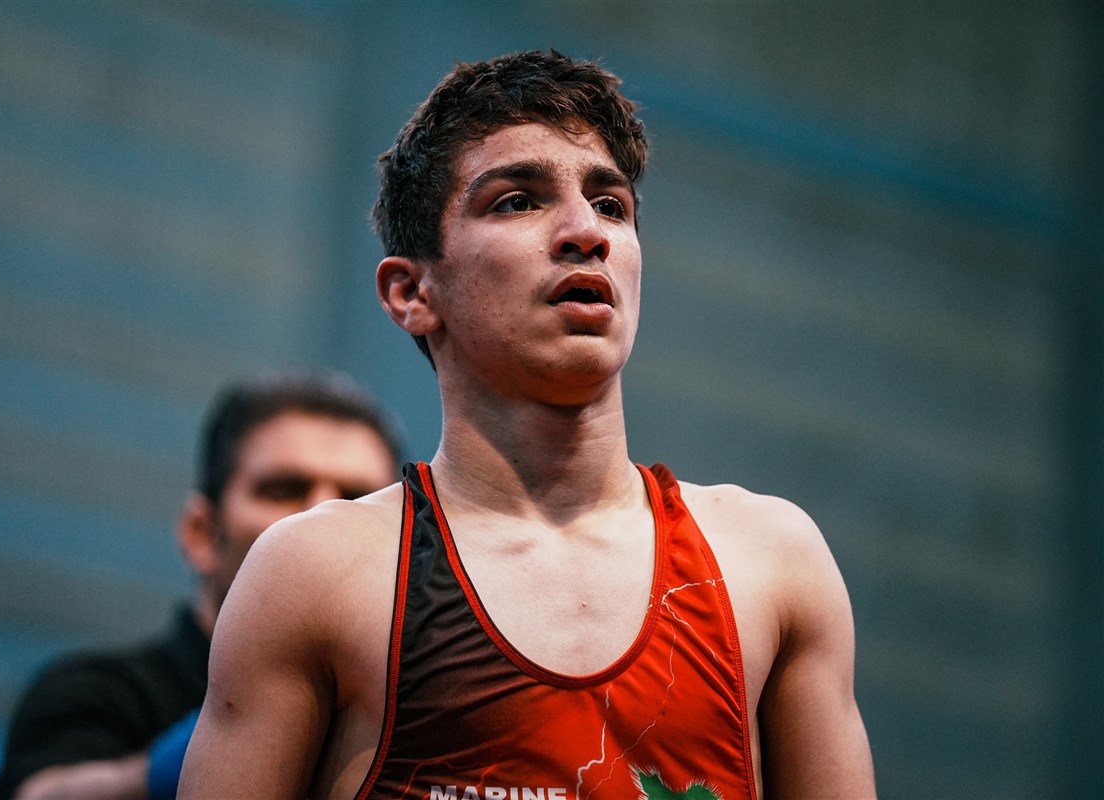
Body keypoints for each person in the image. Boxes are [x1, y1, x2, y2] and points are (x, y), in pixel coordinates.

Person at [180, 50, 876, 799]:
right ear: (412, 292)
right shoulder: (317, 575)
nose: (586, 231)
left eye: (611, 205)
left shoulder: (771, 564)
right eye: (518, 201)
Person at [0, 372, 401, 800]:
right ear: (201, 532)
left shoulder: (417, 711)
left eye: (358, 501)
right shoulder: (98, 693)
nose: (322, 520)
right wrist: (213, 748)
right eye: (283, 490)